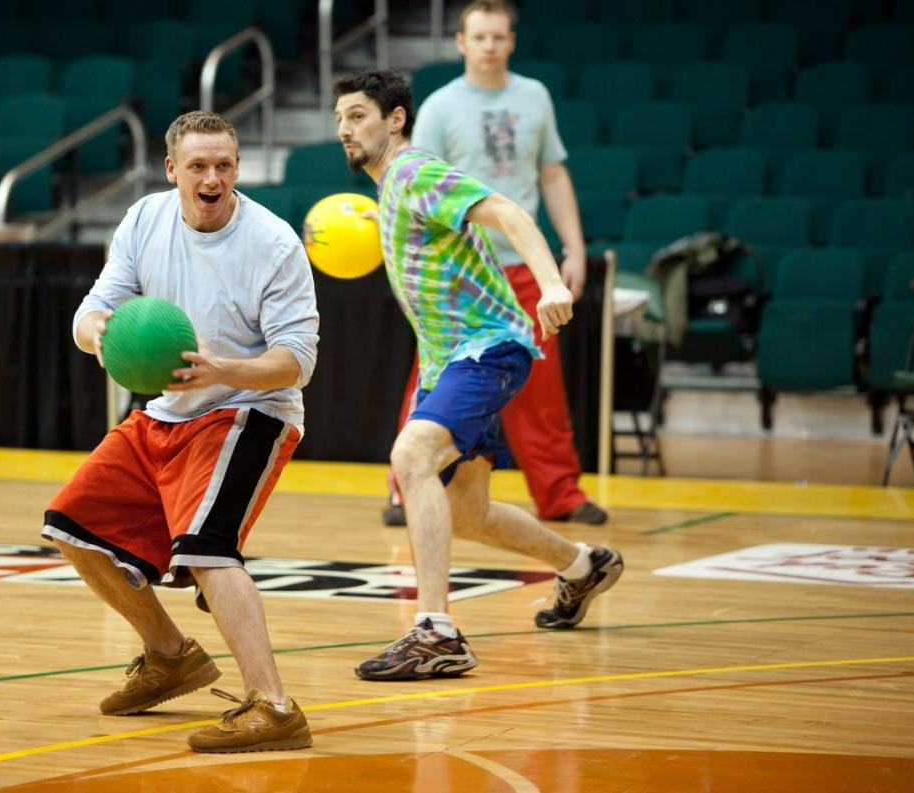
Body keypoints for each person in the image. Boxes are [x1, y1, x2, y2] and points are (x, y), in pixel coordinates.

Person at [42, 111, 318, 752]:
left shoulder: (273, 243)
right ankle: (170, 656)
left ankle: (274, 706)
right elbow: (91, 312)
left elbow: (297, 360)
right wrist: (103, 335)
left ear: (238, 168)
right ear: (173, 170)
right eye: (198, 165)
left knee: (205, 548)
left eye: (224, 164)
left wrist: (226, 369)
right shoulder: (145, 219)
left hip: (253, 410)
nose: (212, 177)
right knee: (70, 524)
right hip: (168, 410)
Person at [333, 69, 622, 680]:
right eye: (339, 118)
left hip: (487, 347)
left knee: (411, 458)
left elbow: (510, 211)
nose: (344, 129)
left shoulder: (415, 172)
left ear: (395, 120)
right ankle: (580, 565)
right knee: (469, 514)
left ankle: (436, 633)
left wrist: (548, 284)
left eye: (357, 115)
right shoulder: (389, 189)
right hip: (451, 362)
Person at [382, 0, 606, 529]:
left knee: (542, 387)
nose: (489, 46)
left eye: (498, 37)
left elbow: (552, 175)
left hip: (522, 263)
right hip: (460, 272)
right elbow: (410, 182)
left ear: (511, 41)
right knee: (433, 375)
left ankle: (561, 495)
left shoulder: (534, 97)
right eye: (479, 37)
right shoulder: (437, 107)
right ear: (460, 42)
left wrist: (572, 249)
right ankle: (404, 488)